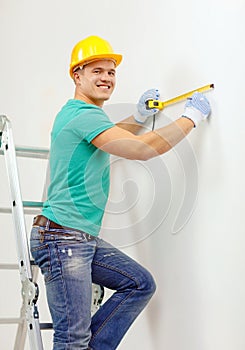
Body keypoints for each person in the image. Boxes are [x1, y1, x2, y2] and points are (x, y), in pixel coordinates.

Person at [30, 35, 211, 350]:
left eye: (111, 72)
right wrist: (190, 119)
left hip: (80, 237)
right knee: (72, 339)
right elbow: (140, 150)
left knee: (139, 284)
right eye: (96, 71)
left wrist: (139, 118)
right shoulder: (81, 115)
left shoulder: (85, 117)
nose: (106, 78)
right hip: (63, 239)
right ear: (77, 75)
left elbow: (114, 137)